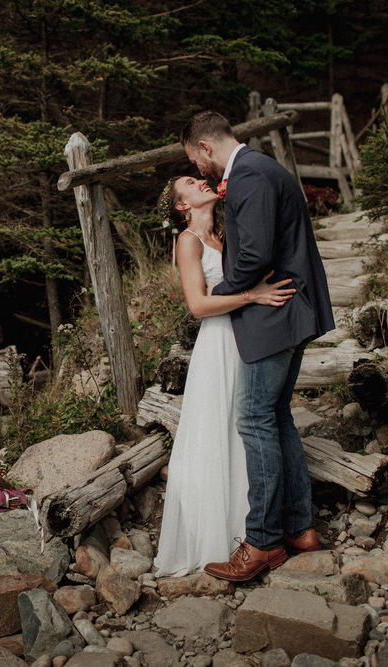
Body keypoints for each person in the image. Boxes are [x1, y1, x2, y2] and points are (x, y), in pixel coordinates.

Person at [180, 110, 335, 582]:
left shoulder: (249, 175)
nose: (201, 172)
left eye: (194, 161)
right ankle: (300, 528)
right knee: (276, 415)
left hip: (276, 313)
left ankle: (262, 542)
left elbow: (254, 256)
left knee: (252, 418)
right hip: (287, 310)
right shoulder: (261, 170)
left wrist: (226, 295)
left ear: (206, 148)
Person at [153, 174, 297, 577]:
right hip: (218, 343)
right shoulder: (188, 241)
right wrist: (254, 296)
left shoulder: (225, 232)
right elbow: (197, 305)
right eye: (189, 183)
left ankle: (255, 531)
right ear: (182, 206)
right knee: (220, 428)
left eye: (199, 176)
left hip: (247, 337)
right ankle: (219, 536)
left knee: (250, 429)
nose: (201, 181)